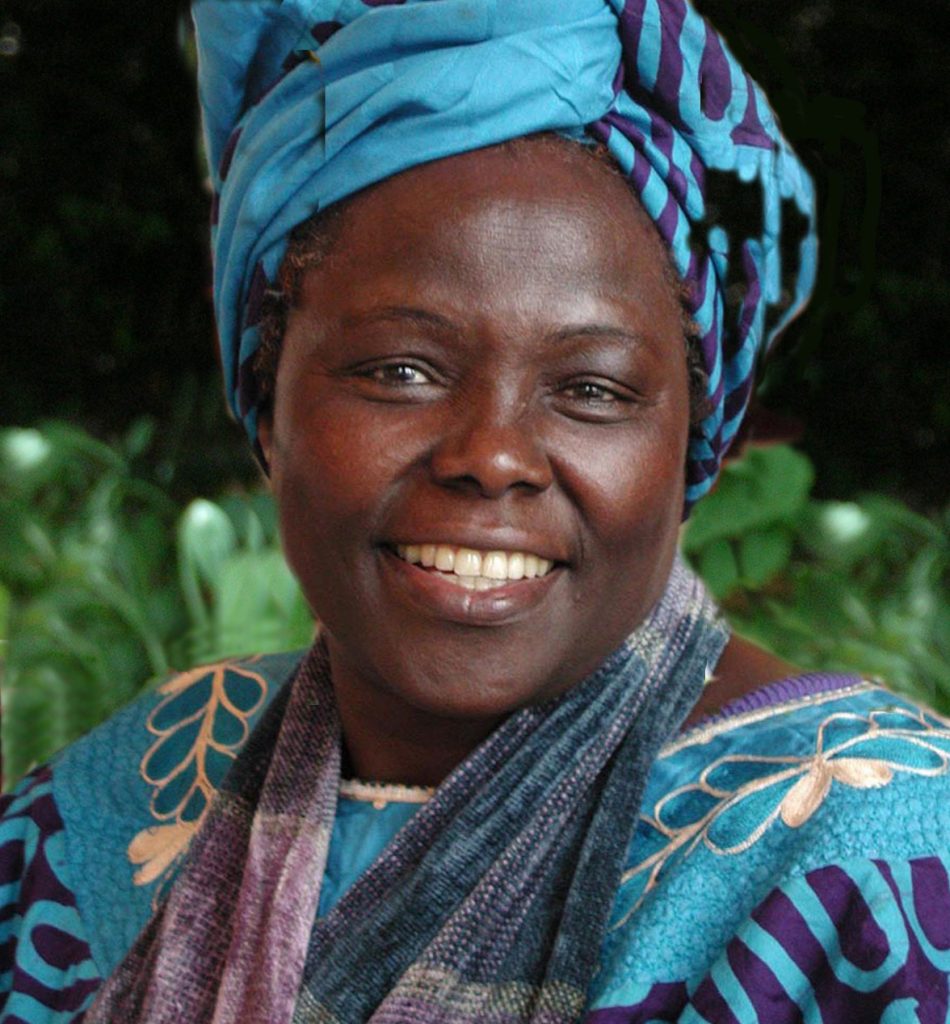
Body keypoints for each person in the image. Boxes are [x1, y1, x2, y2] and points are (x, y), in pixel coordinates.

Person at [2, 2, 949, 1022]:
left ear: (691, 447)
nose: (490, 458)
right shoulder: (124, 796)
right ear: (267, 407)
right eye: (400, 370)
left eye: (591, 388)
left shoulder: (865, 864)